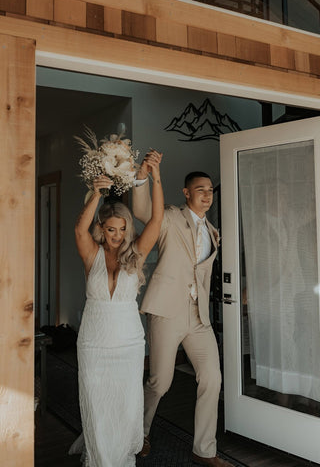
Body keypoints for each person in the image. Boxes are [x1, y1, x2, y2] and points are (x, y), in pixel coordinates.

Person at [132, 152, 232, 467]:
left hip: (198, 317)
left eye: (210, 190)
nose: (207, 194)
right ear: (186, 193)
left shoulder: (214, 232)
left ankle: (205, 450)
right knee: (160, 381)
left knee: (212, 378)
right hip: (167, 311)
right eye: (200, 189)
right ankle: (140, 433)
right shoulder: (171, 217)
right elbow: (143, 209)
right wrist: (143, 176)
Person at [71, 153, 163, 467]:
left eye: (122, 229)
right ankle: (99, 457)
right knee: (96, 402)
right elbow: (78, 231)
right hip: (94, 342)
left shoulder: (134, 254)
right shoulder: (91, 254)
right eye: (111, 229)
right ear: (102, 228)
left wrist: (155, 176)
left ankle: (122, 453)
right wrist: (96, 193)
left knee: (126, 402)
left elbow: (156, 221)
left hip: (128, 343)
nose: (118, 236)